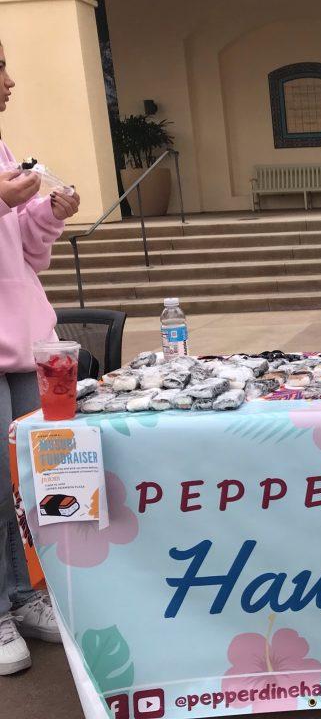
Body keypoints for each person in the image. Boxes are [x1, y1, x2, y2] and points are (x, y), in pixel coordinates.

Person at [0, 39, 80, 674]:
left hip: (26, 341)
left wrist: (46, 212)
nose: (9, 82)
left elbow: (23, 252)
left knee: (26, 479)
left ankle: (25, 594)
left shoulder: (4, 152)